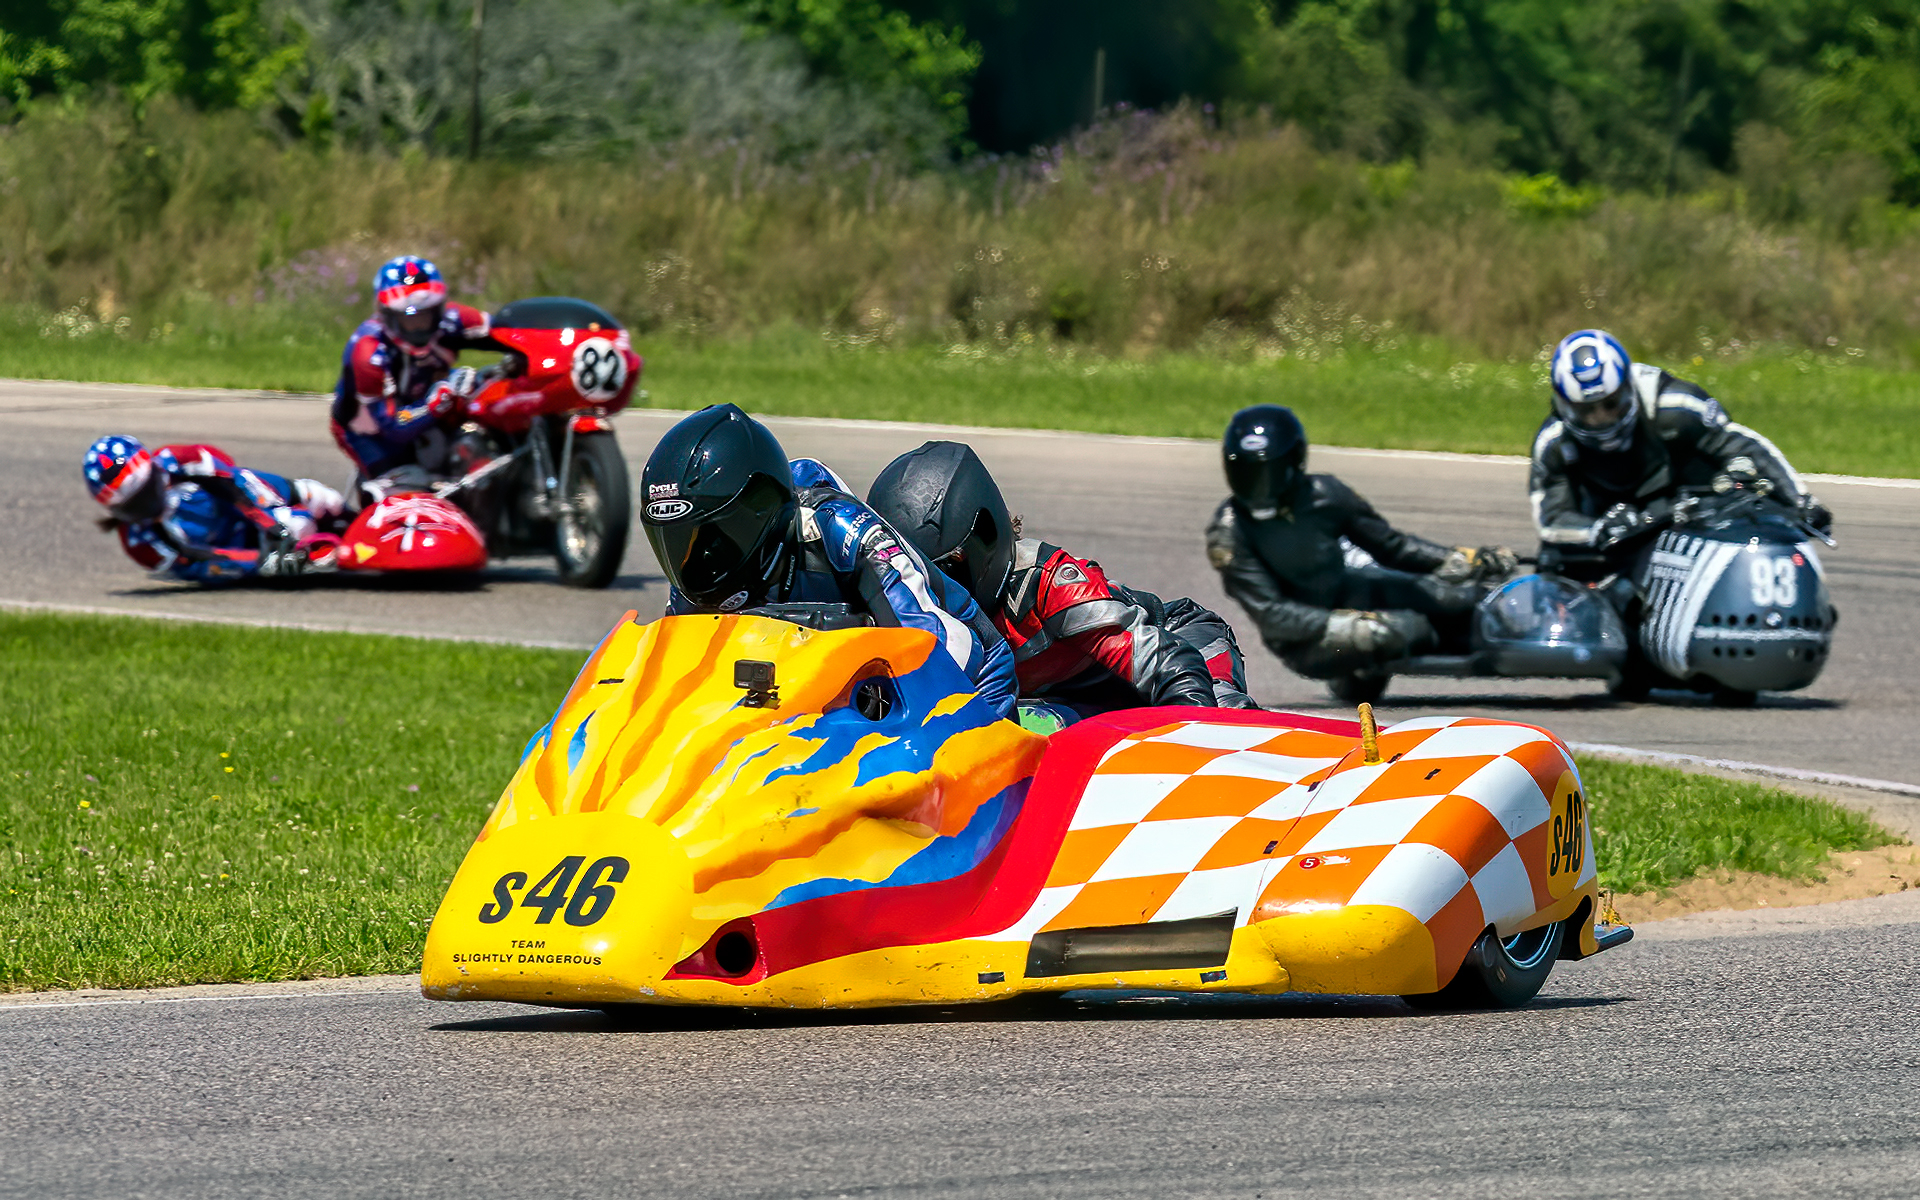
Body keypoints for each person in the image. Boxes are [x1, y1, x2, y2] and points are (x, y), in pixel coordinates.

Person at [639, 405, 1017, 719]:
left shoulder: (844, 532)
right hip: (809, 704)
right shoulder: (697, 576)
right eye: (675, 541)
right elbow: (678, 684)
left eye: (713, 536)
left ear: (758, 510)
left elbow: (942, 649)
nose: (696, 557)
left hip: (970, 683)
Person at [867, 440, 1257, 714]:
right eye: (913, 575)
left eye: (944, 571)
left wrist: (1194, 730)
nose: (930, 592)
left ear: (982, 536)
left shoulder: (1047, 584)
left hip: (1179, 641)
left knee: (1223, 717)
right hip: (1073, 700)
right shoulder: (897, 604)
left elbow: (1168, 662)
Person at [1204, 405, 1515, 681]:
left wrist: (1457, 560)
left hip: (1349, 591)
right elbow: (1273, 616)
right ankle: (1476, 648)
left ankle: (1507, 629)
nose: (1259, 487)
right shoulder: (1229, 532)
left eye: (1268, 473)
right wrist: (1350, 623)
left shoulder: (1326, 494)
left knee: (1455, 596)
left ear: (1294, 462)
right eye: (1248, 474)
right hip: (1304, 639)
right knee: (1403, 629)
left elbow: (1391, 547)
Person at [1531, 329, 1830, 572]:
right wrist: (1597, 529)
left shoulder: (1676, 406)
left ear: (1627, 388)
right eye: (1587, 410)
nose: (1601, 419)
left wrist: (1800, 500)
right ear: (1565, 405)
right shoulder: (1554, 442)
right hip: (1608, 536)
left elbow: (1742, 444)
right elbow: (1551, 521)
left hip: (1686, 518)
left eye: (1611, 404)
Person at [83, 435, 344, 583]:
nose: (148, 506)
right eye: (134, 505)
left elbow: (232, 480)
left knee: (323, 499)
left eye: (148, 492)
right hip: (232, 546)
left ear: (154, 470)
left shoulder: (179, 460)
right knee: (300, 530)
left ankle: (360, 517)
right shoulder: (140, 544)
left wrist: (271, 526)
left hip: (244, 503)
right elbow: (202, 562)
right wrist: (258, 561)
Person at [330, 255, 492, 486]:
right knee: (407, 490)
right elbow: (393, 426)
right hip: (370, 429)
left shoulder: (454, 319)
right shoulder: (369, 353)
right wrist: (436, 403)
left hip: (424, 400)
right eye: (409, 318)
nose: (418, 327)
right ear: (387, 314)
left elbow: (508, 330)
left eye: (426, 316)